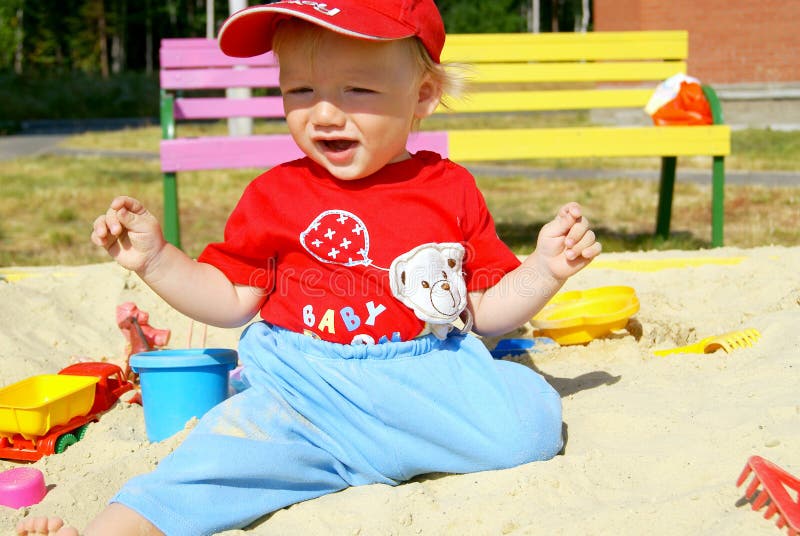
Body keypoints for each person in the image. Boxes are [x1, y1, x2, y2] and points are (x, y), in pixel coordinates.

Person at [17, 1, 600, 535]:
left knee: (530, 428)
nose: (323, 114)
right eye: (299, 89)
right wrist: (156, 260)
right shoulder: (276, 195)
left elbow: (483, 313)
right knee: (201, 468)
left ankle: (386, 449)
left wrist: (544, 270)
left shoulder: (449, 189)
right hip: (302, 392)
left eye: (356, 90)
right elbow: (230, 300)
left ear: (422, 95)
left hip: (421, 380)